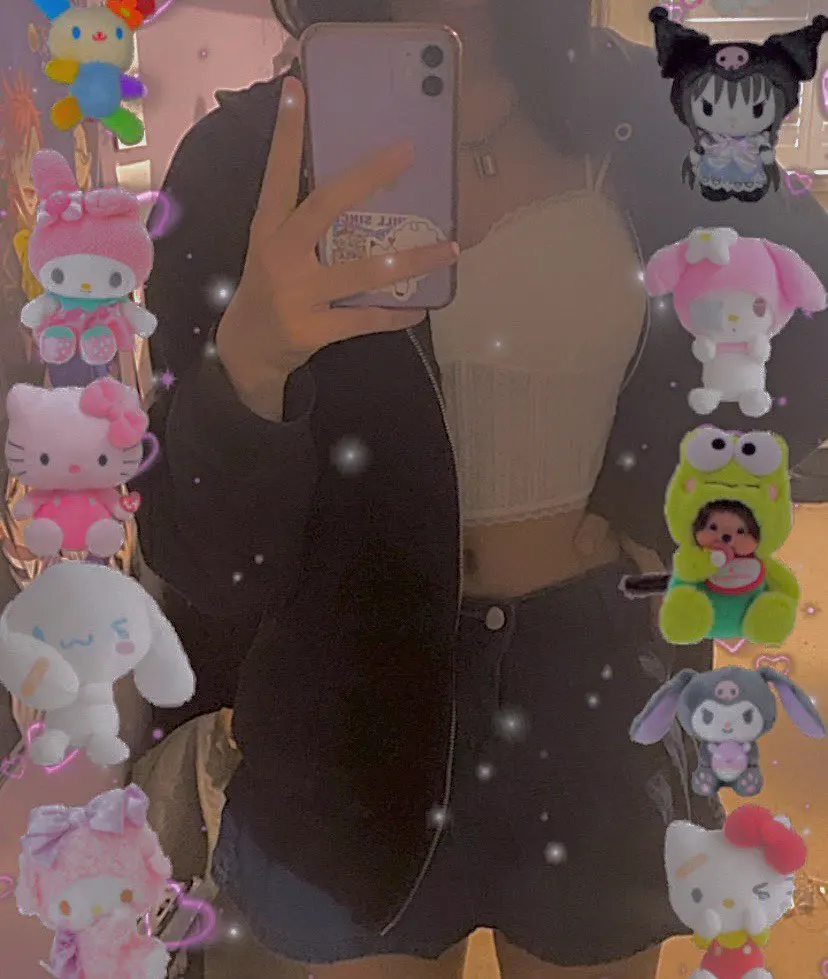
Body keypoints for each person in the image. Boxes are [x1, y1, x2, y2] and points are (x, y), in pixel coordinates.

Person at [134, 1, 828, 977]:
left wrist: (667, 496)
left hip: (596, 692)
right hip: (354, 709)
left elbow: (806, 324)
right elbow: (206, 558)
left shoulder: (653, 112)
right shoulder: (241, 159)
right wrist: (251, 364)